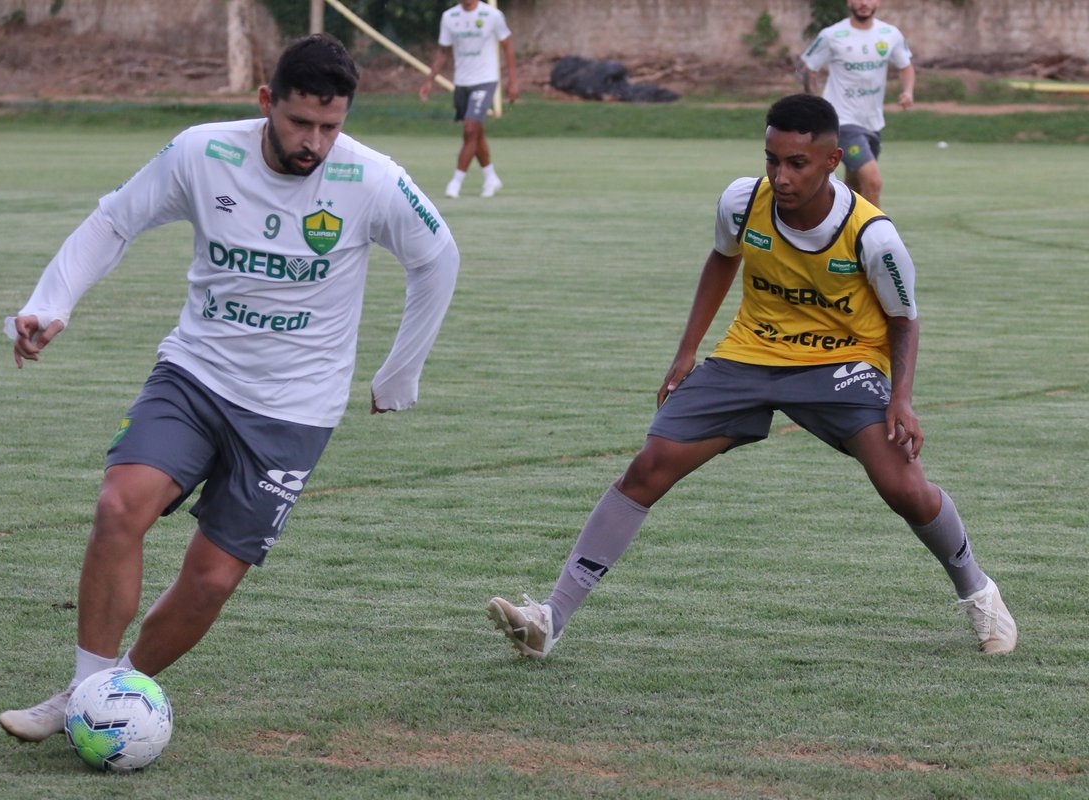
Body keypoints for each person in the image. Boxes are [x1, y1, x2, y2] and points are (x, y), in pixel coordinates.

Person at [0, 33, 459, 743]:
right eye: (299, 122)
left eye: (330, 127)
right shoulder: (202, 152)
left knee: (211, 581)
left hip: (294, 409)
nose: (314, 143)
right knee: (120, 506)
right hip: (195, 375)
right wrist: (49, 303)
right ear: (266, 102)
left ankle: (119, 685)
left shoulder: (370, 179)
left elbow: (438, 257)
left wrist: (400, 371)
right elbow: (115, 219)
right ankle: (85, 695)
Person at [487, 94, 1016, 661]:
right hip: (749, 357)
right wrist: (686, 350)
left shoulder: (874, 237)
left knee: (903, 487)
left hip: (841, 363)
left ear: (833, 160)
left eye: (797, 163)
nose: (780, 176)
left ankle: (979, 592)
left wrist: (901, 399)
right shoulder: (742, 202)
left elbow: (904, 320)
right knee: (648, 468)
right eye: (772, 159)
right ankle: (551, 618)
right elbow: (722, 258)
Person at [800, 0, 914, 207]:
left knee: (854, 187)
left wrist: (907, 92)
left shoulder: (890, 34)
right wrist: (813, 104)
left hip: (872, 122)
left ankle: (841, 230)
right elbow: (810, 68)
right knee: (873, 181)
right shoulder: (832, 35)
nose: (863, 3)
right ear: (849, 2)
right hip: (842, 120)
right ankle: (874, 237)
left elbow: (905, 66)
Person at [419, 0, 518, 199]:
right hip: (462, 82)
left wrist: (513, 81)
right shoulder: (449, 17)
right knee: (476, 132)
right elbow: (443, 51)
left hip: (486, 80)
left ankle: (456, 181)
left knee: (470, 129)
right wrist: (429, 80)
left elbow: (507, 46)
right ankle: (490, 177)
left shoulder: (492, 16)